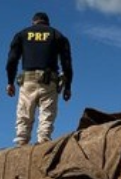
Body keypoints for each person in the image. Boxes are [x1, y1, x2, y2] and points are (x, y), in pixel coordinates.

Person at [6, 12, 73, 146]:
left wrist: (10, 82)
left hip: (28, 81)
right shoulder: (57, 35)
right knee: (46, 118)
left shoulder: (22, 34)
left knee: (24, 115)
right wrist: (68, 87)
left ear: (33, 22)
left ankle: (21, 142)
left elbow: (12, 60)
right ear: (47, 23)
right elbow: (66, 63)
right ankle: (43, 143)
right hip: (49, 82)